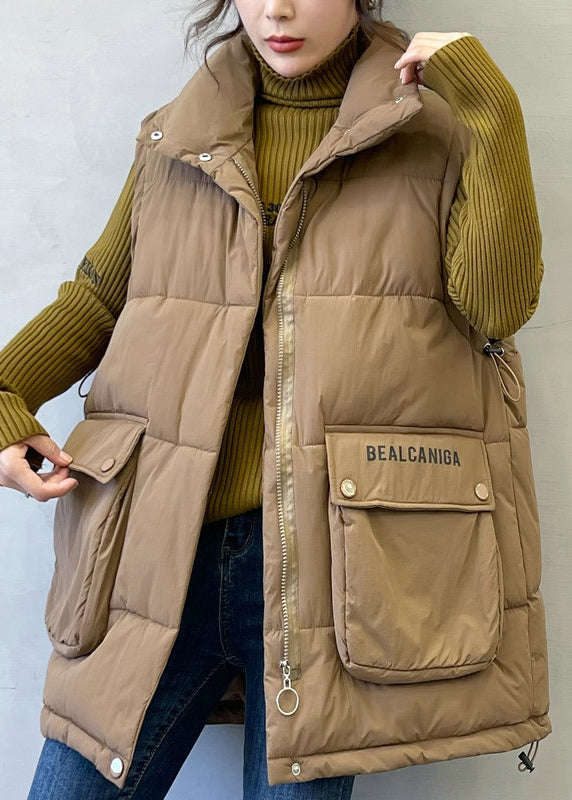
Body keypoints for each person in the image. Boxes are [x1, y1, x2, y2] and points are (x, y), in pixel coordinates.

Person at [0, 1, 550, 798]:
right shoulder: (176, 137)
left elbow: (497, 307)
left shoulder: (437, 131)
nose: (276, 10)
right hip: (158, 554)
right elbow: (99, 300)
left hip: (339, 573)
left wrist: (492, 112)